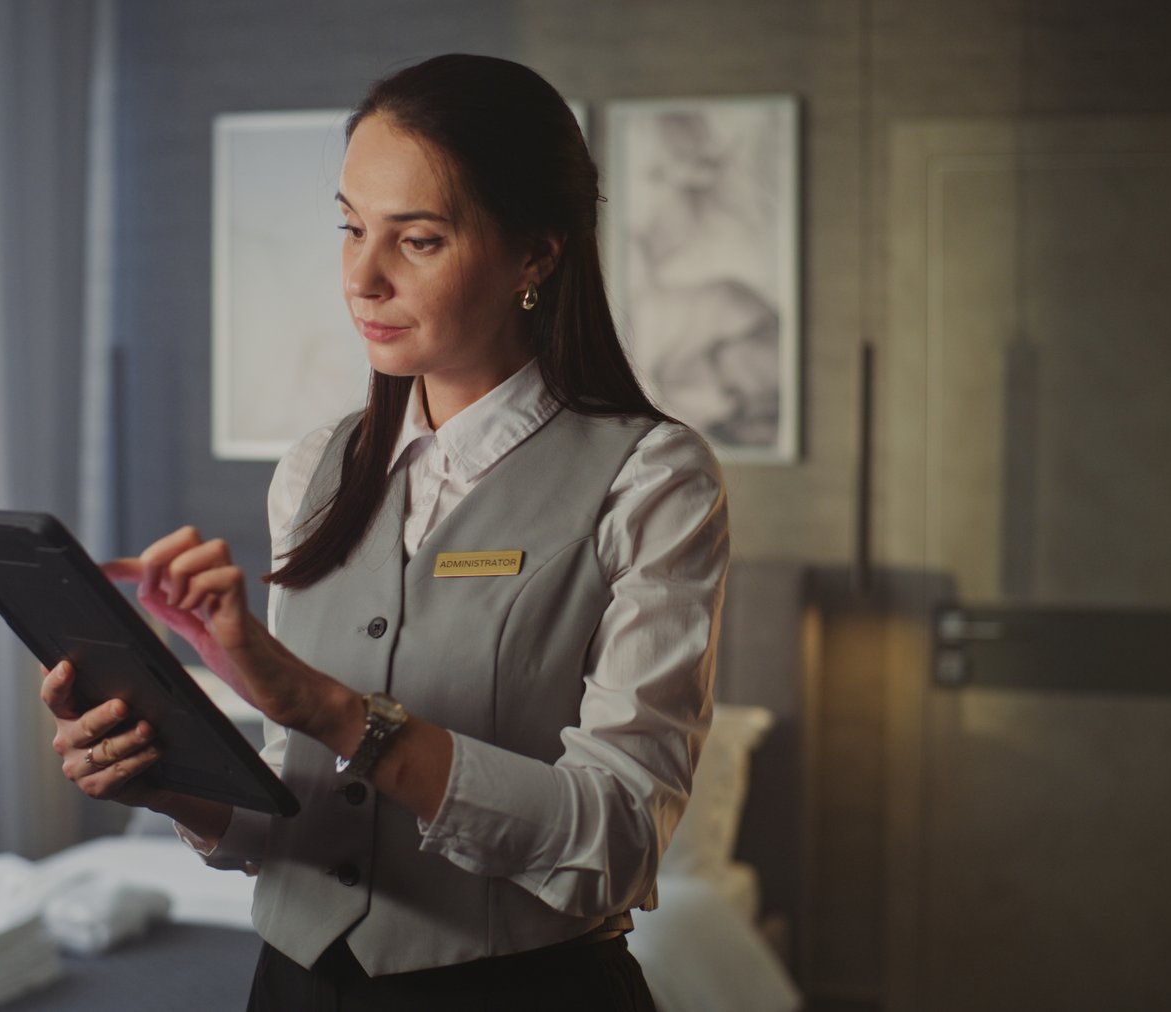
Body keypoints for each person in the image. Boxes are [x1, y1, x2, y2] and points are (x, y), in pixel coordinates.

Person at [38, 53, 729, 1011]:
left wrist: (332, 710)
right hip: (289, 990)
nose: (362, 277)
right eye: (352, 227)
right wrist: (165, 781)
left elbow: (615, 841)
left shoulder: (652, 478)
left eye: (419, 240)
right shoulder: (315, 470)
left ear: (536, 254)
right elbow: (296, 812)